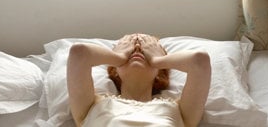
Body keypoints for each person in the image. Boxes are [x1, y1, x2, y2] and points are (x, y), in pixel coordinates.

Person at [67, 33, 211, 127]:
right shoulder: (91, 105)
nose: (136, 48)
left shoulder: (180, 111)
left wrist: (156, 59)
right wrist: (120, 56)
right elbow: (79, 53)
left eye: (145, 49)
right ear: (114, 70)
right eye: (130, 48)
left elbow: (199, 61)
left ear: (160, 72)